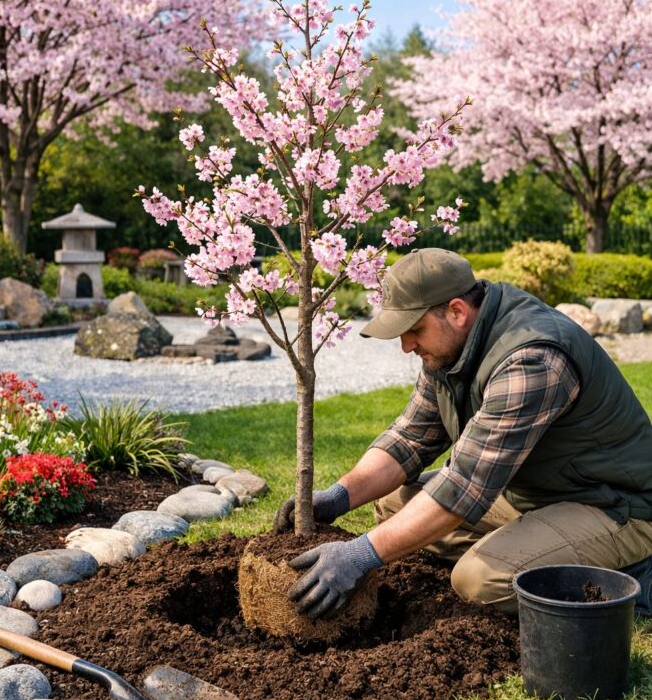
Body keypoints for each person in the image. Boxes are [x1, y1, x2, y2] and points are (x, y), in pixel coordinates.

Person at [274, 248, 652, 621]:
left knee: (479, 581)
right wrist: (338, 498)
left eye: (414, 330)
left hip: (614, 506)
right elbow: (410, 438)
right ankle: (537, 551)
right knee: (393, 506)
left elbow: (465, 485)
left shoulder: (532, 360)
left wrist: (359, 555)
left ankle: (633, 575)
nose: (406, 346)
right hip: (536, 493)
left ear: (456, 311)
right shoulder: (453, 346)